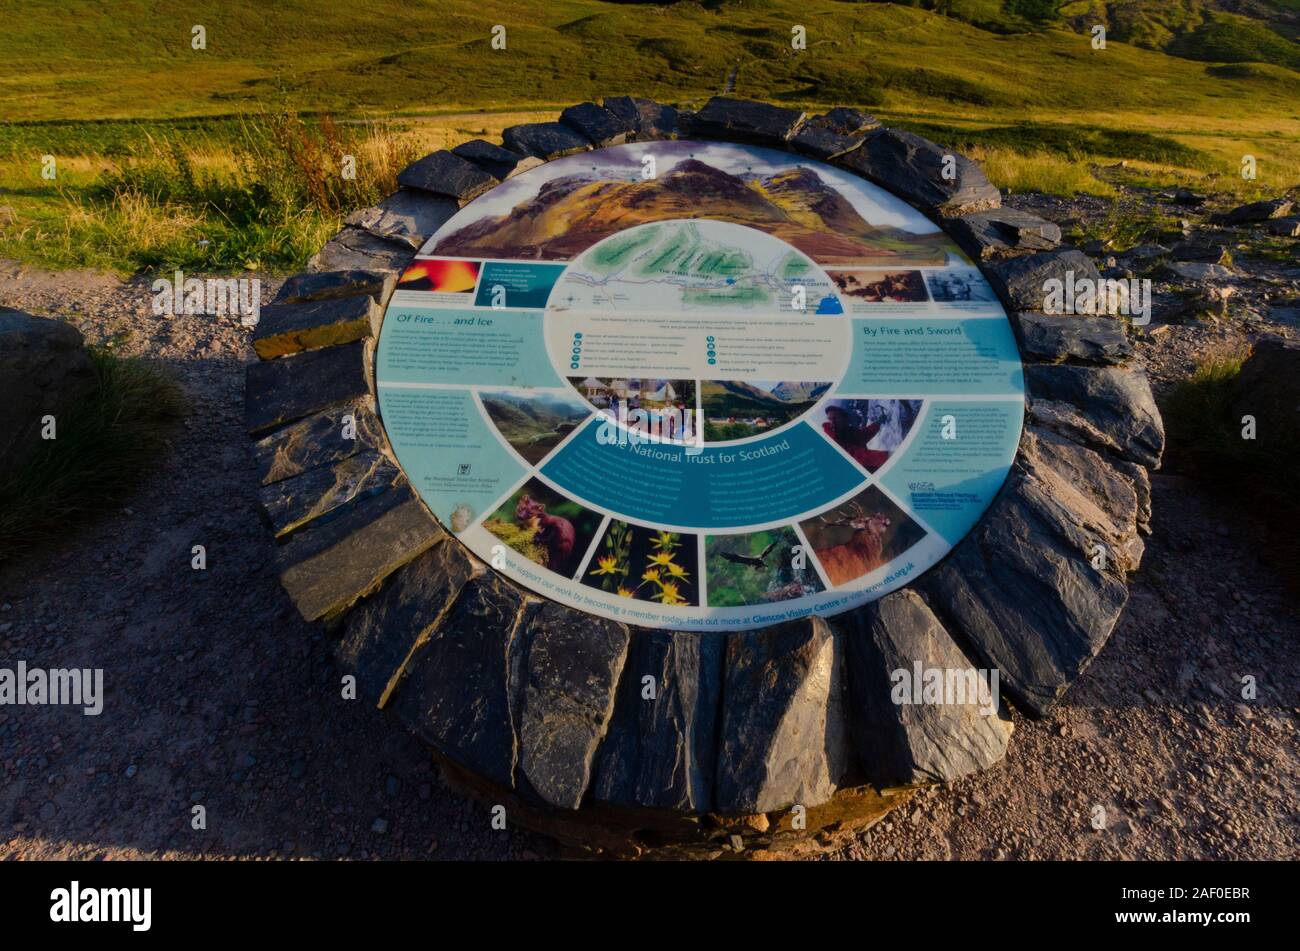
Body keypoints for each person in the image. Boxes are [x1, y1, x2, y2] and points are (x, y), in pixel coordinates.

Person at [822, 405, 889, 471]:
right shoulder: (832, 439)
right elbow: (856, 455)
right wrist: (887, 456)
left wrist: (878, 423)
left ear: (844, 418)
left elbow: (862, 436)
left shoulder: (845, 430)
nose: (833, 422)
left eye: (835, 418)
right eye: (830, 419)